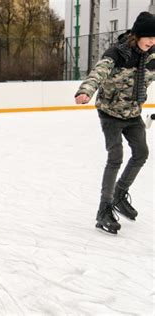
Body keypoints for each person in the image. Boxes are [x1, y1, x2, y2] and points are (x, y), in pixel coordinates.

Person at [75, 11, 155, 234]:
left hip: (133, 114)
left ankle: (120, 194)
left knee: (141, 153)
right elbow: (97, 74)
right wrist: (85, 92)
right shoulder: (118, 53)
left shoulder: (153, 55)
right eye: (148, 36)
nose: (152, 41)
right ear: (137, 35)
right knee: (115, 157)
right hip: (110, 114)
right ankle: (104, 210)